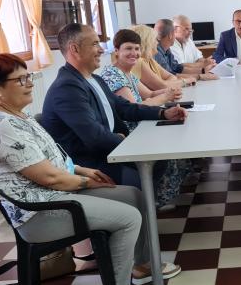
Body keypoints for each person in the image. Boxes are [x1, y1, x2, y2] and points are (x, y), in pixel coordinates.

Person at [0, 53, 179, 285]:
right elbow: (51, 179)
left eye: (29, 76)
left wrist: (81, 170)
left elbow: (52, 156)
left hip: (55, 194)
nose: (30, 83)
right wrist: (85, 181)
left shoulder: (16, 115)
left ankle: (140, 265)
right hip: (41, 212)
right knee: (129, 217)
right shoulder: (1, 127)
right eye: (21, 79)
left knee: (133, 195)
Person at [41, 23, 187, 207]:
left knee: (160, 159)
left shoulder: (94, 78)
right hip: (92, 162)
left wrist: (163, 113)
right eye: (95, 44)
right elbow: (94, 137)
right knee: (153, 161)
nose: (101, 50)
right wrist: (130, 144)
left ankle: (146, 212)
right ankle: (139, 214)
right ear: (75, 49)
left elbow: (125, 108)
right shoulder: (67, 87)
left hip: (110, 148)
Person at [99, 29, 191, 210]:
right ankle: (155, 201)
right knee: (172, 144)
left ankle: (162, 195)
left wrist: (168, 92)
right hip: (130, 133)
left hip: (143, 125)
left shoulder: (127, 73)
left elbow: (149, 94)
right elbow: (135, 109)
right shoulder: (112, 75)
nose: (134, 53)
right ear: (116, 50)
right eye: (128, 49)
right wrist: (165, 97)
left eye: (136, 49)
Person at [130, 24, 193, 91]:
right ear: (147, 43)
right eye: (155, 40)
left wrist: (165, 83)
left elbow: (171, 76)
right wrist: (184, 81)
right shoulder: (138, 62)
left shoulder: (150, 60)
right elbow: (162, 86)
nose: (157, 43)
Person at [154, 18, 218, 81]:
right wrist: (199, 76)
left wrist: (203, 70)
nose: (190, 32)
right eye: (187, 29)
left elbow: (177, 68)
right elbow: (170, 75)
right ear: (171, 35)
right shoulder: (156, 52)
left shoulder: (167, 50)